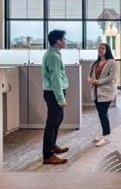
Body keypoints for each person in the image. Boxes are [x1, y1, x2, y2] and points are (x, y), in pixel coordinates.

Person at [41, 29, 70, 165]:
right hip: (54, 93)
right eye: (63, 39)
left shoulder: (54, 53)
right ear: (57, 41)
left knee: (57, 120)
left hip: (53, 92)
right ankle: (48, 155)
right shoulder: (53, 56)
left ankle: (52, 146)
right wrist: (60, 98)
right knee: (52, 124)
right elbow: (55, 80)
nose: (65, 41)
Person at [88, 42, 118, 147]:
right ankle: (104, 133)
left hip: (106, 92)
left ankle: (106, 136)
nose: (100, 50)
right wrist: (90, 80)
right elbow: (89, 75)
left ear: (107, 50)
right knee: (101, 114)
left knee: (103, 113)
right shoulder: (94, 63)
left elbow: (111, 77)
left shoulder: (112, 62)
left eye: (103, 48)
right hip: (96, 92)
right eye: (99, 48)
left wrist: (98, 82)